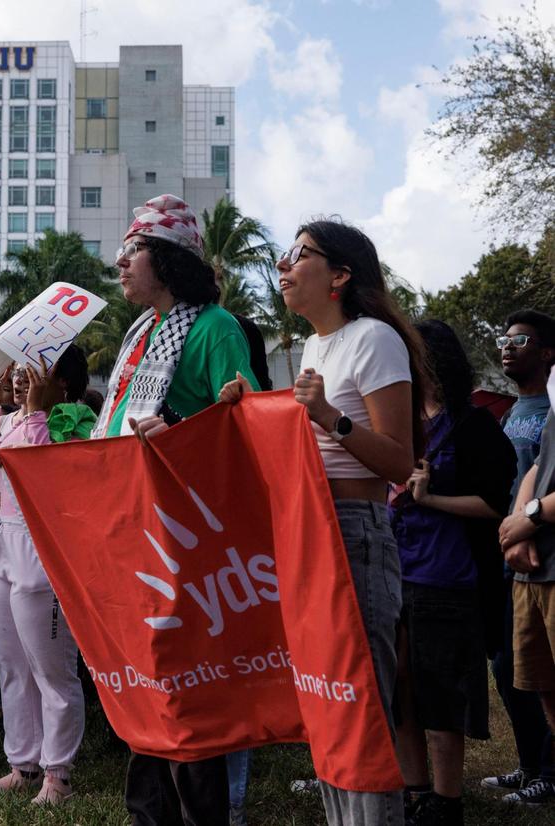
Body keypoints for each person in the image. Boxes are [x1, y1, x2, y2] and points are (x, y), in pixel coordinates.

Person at [220, 217, 429, 825]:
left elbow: (398, 460)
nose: (283, 266)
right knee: (327, 695)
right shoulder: (313, 346)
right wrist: (252, 408)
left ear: (339, 274)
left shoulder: (373, 339)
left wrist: (330, 418)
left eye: (299, 254)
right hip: (309, 532)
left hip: (354, 529)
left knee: (357, 700)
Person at [95, 194, 259, 826]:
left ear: (164, 259)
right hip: (135, 525)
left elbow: (242, 422)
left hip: (187, 538)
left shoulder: (216, 327)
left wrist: (183, 425)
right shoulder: (139, 332)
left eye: (131, 250)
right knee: (145, 677)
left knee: (187, 685)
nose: (119, 262)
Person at [390, 320, 515, 824]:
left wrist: (432, 497)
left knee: (439, 691)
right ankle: (413, 789)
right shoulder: (398, 419)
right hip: (394, 568)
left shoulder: (472, 425)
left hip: (446, 576)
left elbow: (496, 504)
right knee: (400, 687)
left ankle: (446, 802)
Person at [0, 346, 93, 805]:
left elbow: (49, 477)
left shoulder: (76, 419)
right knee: (11, 665)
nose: (21, 378)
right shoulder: (10, 420)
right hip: (2, 546)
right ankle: (22, 764)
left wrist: (39, 414)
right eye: (19, 371)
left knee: (52, 669)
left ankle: (56, 774)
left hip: (45, 551)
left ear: (62, 381)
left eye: (35, 371)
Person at [484, 310, 555, 806]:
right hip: (516, 556)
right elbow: (524, 475)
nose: (507, 348)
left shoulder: (551, 406)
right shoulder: (512, 411)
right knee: (514, 670)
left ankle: (548, 770)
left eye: (521, 340)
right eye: (503, 340)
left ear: (548, 353)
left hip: (545, 555)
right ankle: (534, 764)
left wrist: (528, 526)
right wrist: (513, 534)